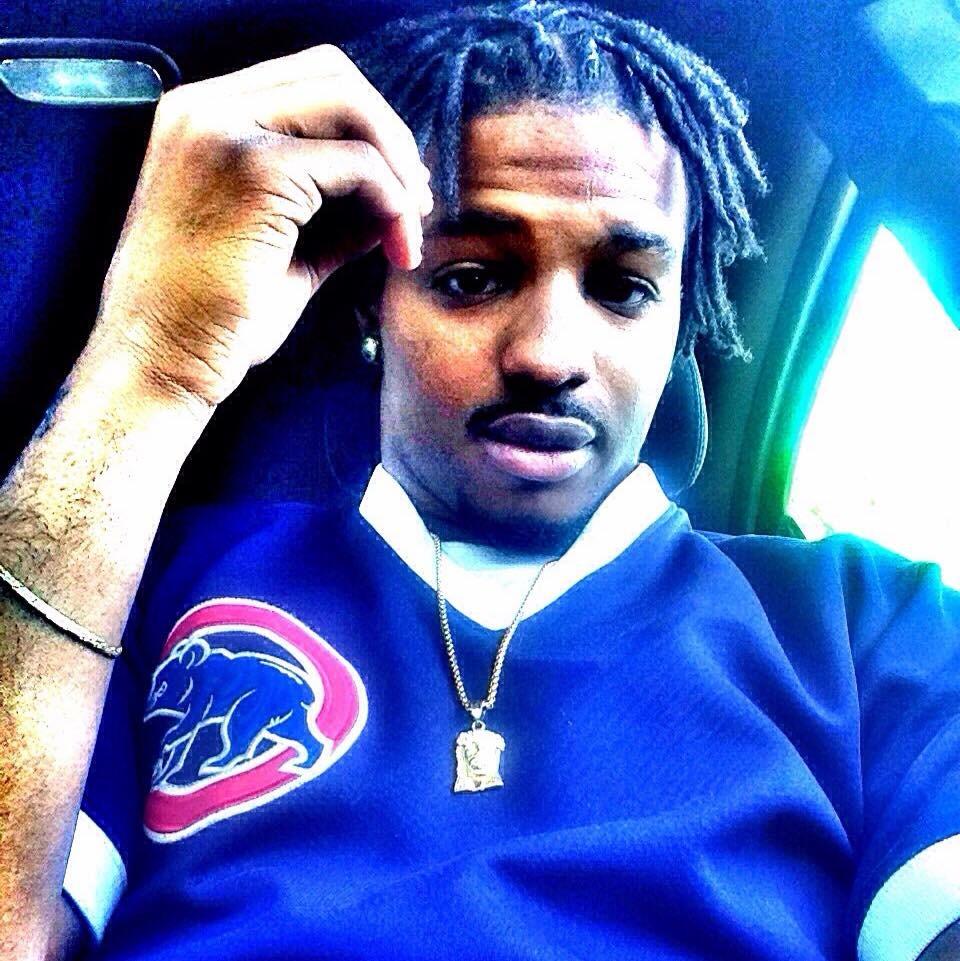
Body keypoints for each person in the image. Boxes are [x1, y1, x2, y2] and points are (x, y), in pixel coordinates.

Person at [0, 3, 957, 960]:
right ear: (372, 302)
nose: (550, 355)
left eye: (624, 288)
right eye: (470, 278)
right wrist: (150, 360)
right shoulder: (138, 585)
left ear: (680, 324)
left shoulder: (873, 629)